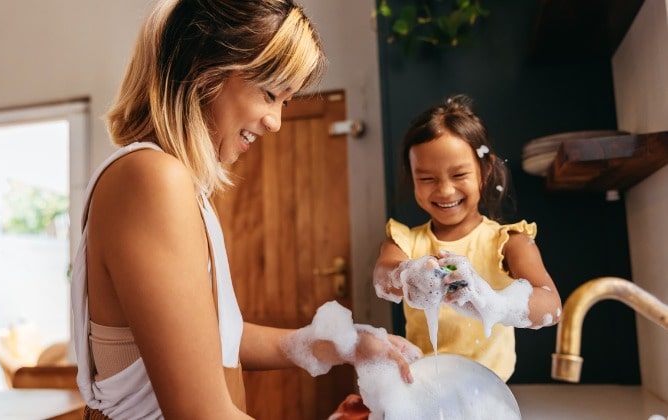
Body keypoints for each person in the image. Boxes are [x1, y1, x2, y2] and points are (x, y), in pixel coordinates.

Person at [70, 0, 420, 419]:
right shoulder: (151, 179)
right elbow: (201, 413)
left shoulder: (178, 183)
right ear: (204, 69)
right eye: (270, 93)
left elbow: (215, 338)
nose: (275, 121)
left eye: (285, 102)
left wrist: (342, 343)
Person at [372, 94, 563, 382]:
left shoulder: (508, 242)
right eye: (427, 179)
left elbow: (551, 306)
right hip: (424, 385)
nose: (445, 191)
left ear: (485, 171)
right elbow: (383, 277)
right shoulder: (404, 241)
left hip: (488, 390)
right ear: (411, 178)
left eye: (459, 174)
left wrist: (494, 304)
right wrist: (407, 275)